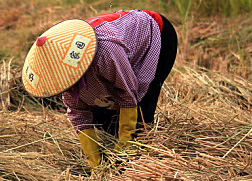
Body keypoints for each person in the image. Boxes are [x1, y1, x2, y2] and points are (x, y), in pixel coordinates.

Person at [22, 9, 177, 170]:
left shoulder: (105, 52)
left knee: (142, 117)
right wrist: (96, 164)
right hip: (117, 56)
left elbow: (129, 93)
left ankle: (141, 161)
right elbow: (78, 114)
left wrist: (124, 146)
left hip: (155, 34)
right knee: (104, 119)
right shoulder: (63, 76)